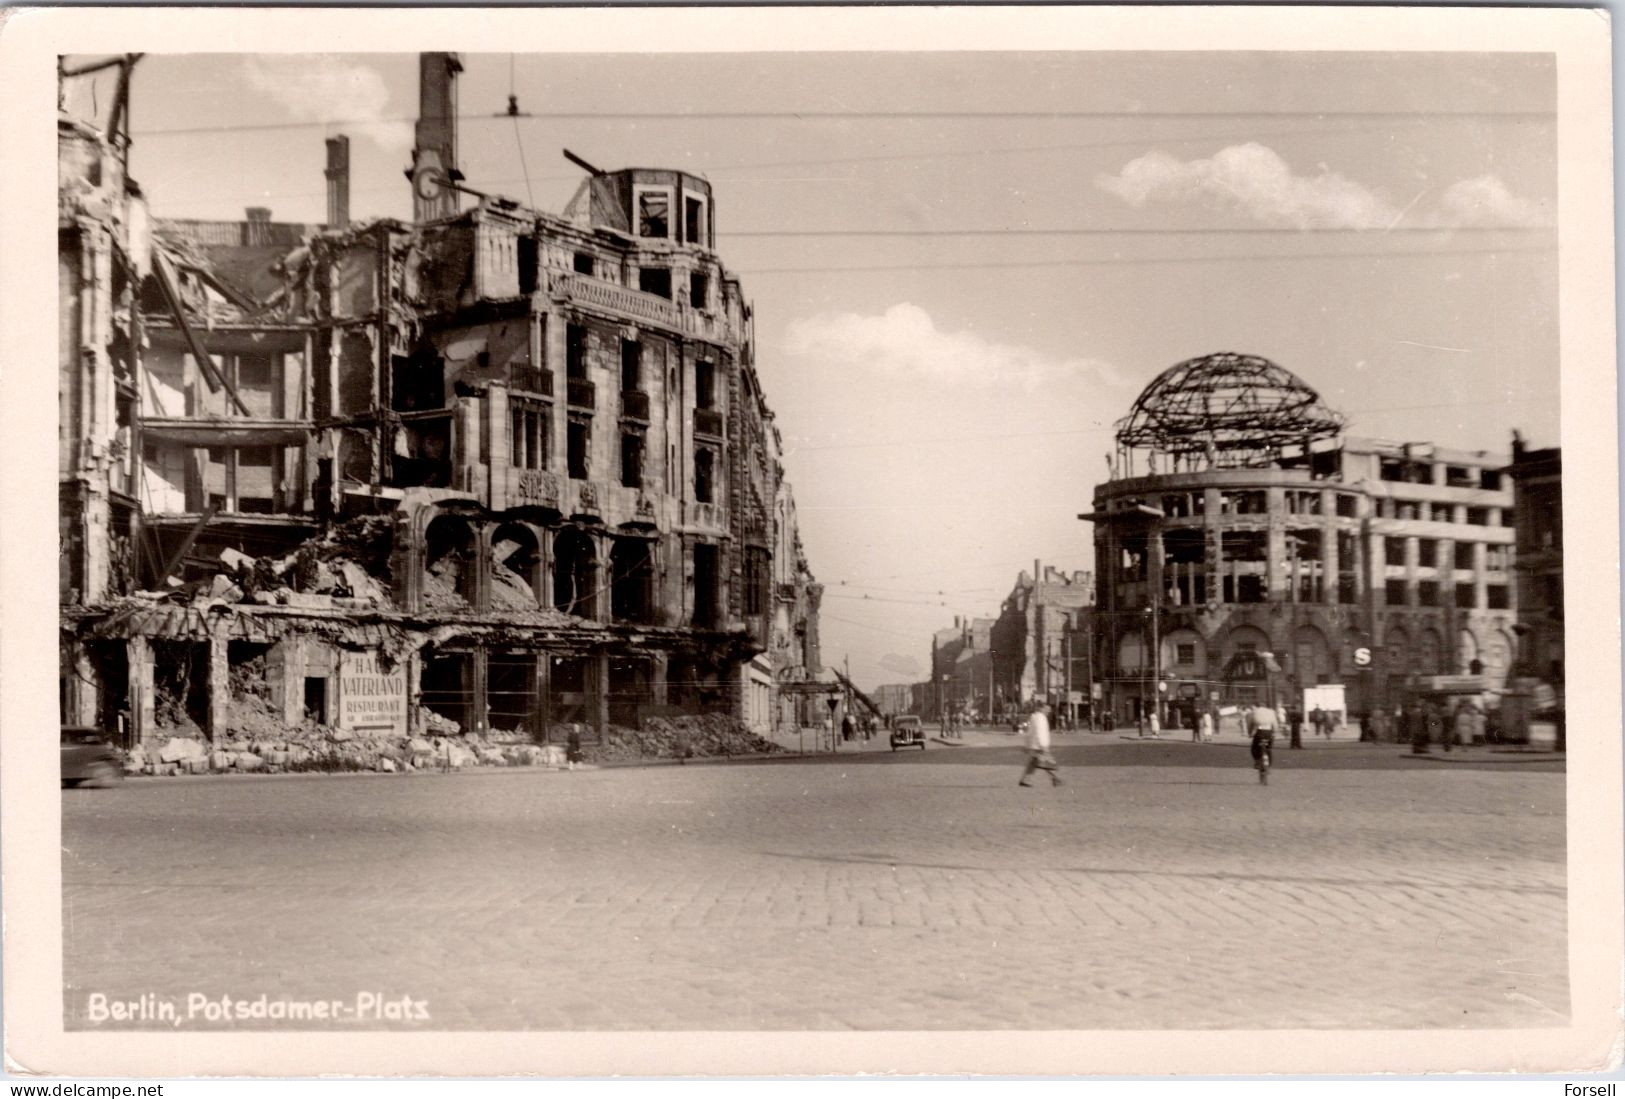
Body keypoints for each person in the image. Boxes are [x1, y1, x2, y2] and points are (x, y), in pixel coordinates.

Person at [1018, 701, 1062, 788]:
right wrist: (1043, 746)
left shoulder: (1034, 716)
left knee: (1035, 762)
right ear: (1042, 708)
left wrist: (1027, 745)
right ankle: (1055, 779)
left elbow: (1029, 732)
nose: (1049, 711)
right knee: (1047, 763)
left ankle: (1025, 780)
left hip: (1035, 745)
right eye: (1047, 708)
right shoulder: (1041, 718)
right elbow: (1040, 732)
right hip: (1040, 746)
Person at [1247, 702, 1277, 782]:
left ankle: (1257, 761)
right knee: (1269, 749)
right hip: (1269, 733)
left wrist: (1249, 733)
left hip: (1260, 732)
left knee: (1254, 748)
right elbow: (1275, 725)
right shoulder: (1271, 712)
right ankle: (1269, 766)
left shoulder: (1254, 712)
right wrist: (1274, 732)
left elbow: (1250, 725)